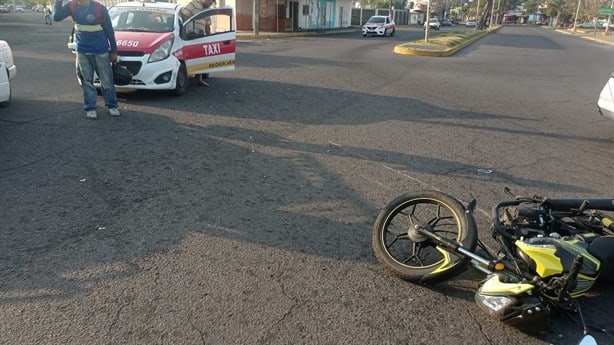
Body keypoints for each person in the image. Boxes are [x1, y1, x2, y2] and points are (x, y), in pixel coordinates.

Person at [53, 0, 120, 119]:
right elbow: (57, 17)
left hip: (101, 51)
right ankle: (90, 108)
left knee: (107, 80)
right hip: (82, 51)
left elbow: (109, 30)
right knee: (86, 81)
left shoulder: (99, 8)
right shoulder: (72, 6)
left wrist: (114, 51)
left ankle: (112, 106)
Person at [180, 0, 214, 87]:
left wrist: (210, 38)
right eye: (209, 2)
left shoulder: (207, 11)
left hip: (201, 36)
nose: (210, 4)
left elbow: (207, 25)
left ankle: (199, 79)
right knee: (188, 56)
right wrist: (189, 27)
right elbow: (184, 13)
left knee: (201, 57)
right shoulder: (193, 4)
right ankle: (185, 76)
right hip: (190, 35)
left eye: (211, 3)